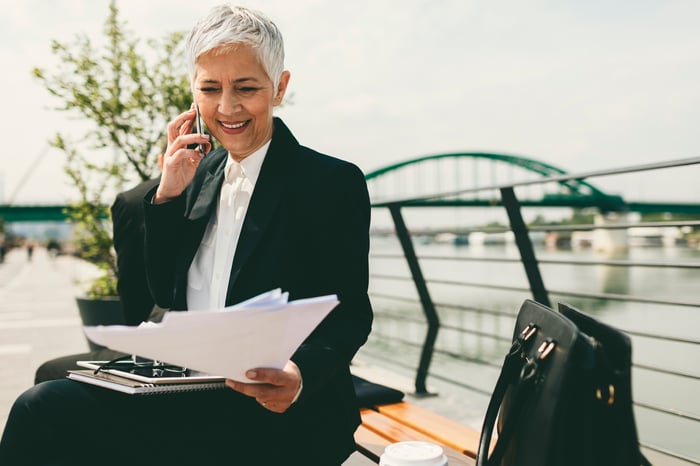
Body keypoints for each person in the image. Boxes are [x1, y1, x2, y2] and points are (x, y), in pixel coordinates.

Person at [0, 5, 372, 466]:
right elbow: (155, 297)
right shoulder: (201, 172)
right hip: (187, 381)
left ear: (280, 87)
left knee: (43, 408)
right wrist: (167, 195)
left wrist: (299, 373)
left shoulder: (329, 183)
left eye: (246, 88)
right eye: (210, 89)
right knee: (49, 378)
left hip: (268, 403)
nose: (227, 107)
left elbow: (351, 314)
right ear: (193, 91)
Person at [32, 172, 162, 384]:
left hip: (160, 349)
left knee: (48, 375)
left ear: (162, 159)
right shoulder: (220, 192)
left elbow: (133, 293)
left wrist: (133, 339)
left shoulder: (134, 200)